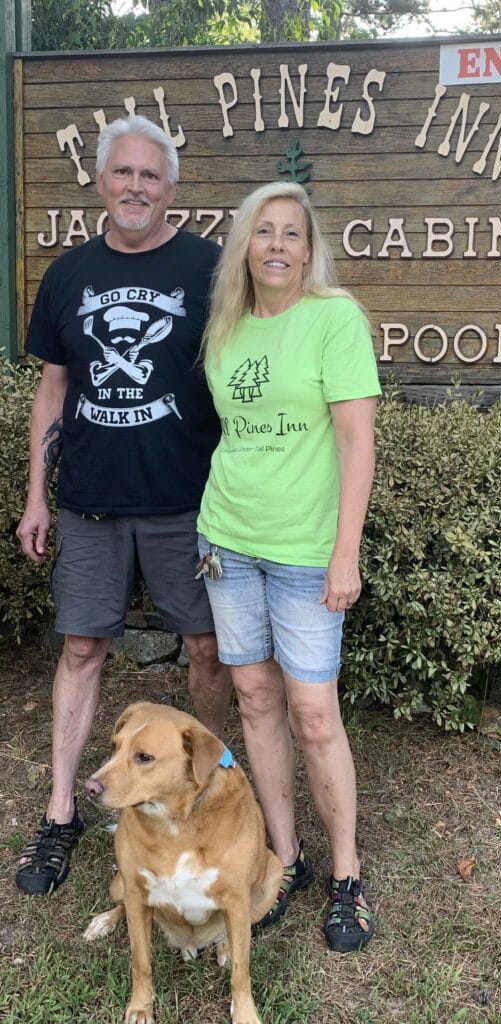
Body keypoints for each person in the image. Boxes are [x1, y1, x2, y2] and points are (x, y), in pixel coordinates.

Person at [14, 115, 232, 897]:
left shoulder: (211, 269)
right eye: (123, 173)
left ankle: (204, 793)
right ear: (100, 183)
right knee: (80, 651)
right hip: (90, 505)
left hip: (188, 505)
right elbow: (53, 388)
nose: (135, 186)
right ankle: (63, 809)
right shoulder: (68, 275)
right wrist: (36, 494)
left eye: (150, 175)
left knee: (207, 650)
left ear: (171, 189)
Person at [197, 181, 381, 953]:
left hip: (308, 554)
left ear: (310, 249)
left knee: (312, 713)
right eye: (263, 231)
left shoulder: (334, 319)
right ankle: (287, 858)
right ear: (245, 244)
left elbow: (356, 444)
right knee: (253, 698)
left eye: (292, 234)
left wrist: (346, 553)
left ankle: (346, 876)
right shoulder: (226, 326)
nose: (277, 245)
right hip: (228, 540)